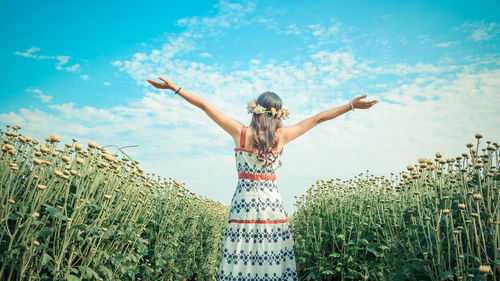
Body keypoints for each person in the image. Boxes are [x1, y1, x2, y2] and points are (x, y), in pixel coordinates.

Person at [147, 77, 378, 280]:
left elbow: (206, 107)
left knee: (242, 251)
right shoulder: (282, 136)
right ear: (279, 113)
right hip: (271, 204)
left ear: (255, 109)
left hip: (244, 203)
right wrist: (351, 106)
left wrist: (175, 89)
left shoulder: (240, 132)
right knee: (272, 249)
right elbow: (317, 119)